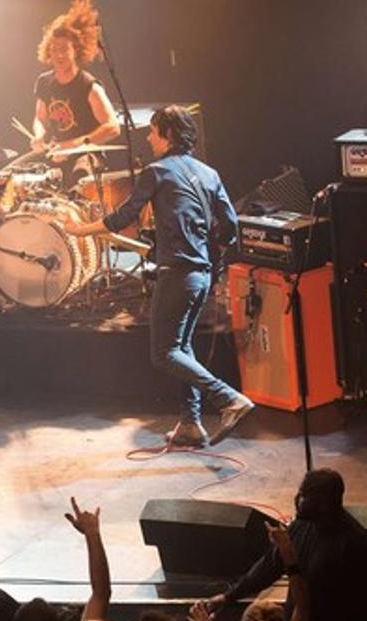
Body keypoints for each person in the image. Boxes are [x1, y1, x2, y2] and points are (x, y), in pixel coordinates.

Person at [64, 105, 254, 446]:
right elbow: (231, 226)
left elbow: (126, 216)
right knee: (182, 348)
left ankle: (228, 399)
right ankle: (191, 424)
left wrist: (82, 230)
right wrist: (214, 249)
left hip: (177, 275)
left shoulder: (157, 171)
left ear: (167, 135)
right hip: (202, 276)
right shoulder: (209, 173)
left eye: (152, 132)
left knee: (164, 353)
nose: (148, 138)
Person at [199, 469, 367, 621]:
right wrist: (229, 596)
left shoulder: (358, 547)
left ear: (323, 504)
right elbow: (269, 566)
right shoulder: (301, 527)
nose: (297, 499)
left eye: (303, 495)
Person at [29, 0, 120, 182]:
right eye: (54, 49)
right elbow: (40, 117)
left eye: (64, 49)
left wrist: (72, 145)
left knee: (79, 177)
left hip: (86, 156)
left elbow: (113, 127)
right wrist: (38, 136)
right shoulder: (44, 82)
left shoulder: (89, 86)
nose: (58, 55)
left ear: (76, 50)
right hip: (56, 152)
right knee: (18, 174)